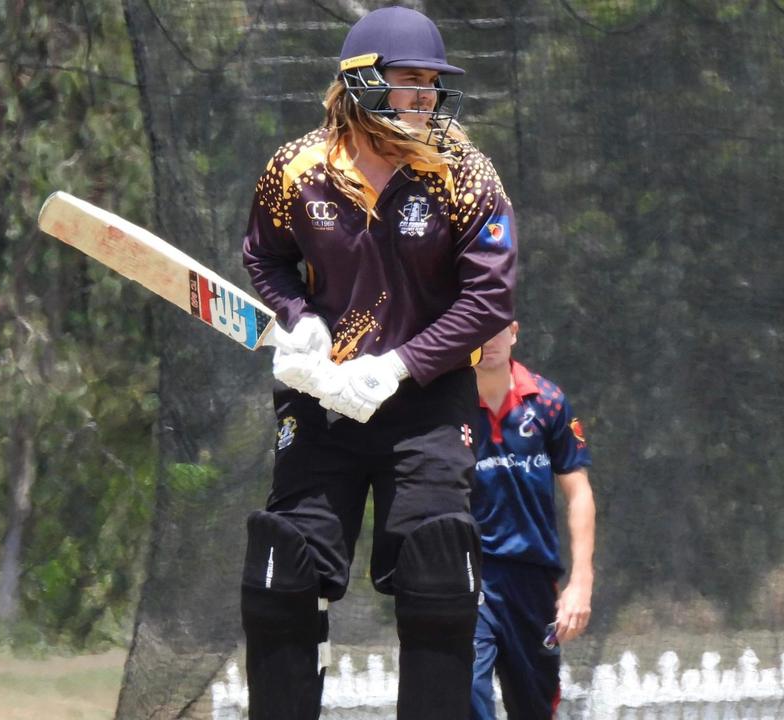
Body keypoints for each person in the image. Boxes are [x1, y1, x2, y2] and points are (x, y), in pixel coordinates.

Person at [238, 6, 518, 719]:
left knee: (437, 571)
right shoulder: (295, 170)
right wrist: (297, 327)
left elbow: (489, 300)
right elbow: (264, 261)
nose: (426, 99)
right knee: (283, 572)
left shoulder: (464, 170)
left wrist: (395, 367)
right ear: (361, 84)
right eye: (411, 83)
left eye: (432, 85)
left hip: (425, 401)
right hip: (320, 398)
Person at [468, 321, 596, 720]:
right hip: (469, 574)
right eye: (475, 328)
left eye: (496, 328)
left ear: (514, 332)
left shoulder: (549, 401)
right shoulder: (446, 405)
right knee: (466, 691)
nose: (487, 340)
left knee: (534, 706)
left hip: (533, 581)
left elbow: (579, 494)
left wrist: (581, 582)